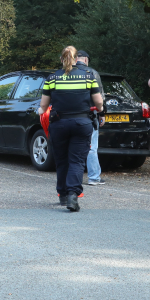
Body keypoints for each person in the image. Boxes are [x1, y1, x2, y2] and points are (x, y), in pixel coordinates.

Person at [37, 46, 104, 212]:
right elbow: (99, 102)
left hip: (59, 123)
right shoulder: (88, 76)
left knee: (61, 160)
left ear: (62, 59)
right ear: (76, 59)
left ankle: (62, 195)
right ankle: (73, 195)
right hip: (82, 124)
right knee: (77, 161)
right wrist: (101, 112)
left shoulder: (52, 78)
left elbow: (43, 105)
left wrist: (39, 113)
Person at [77, 50, 105, 186]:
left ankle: (70, 177)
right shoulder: (91, 73)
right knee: (91, 147)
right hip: (89, 116)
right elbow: (100, 96)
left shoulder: (65, 73)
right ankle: (94, 177)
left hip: (68, 117)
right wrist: (102, 114)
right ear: (86, 60)